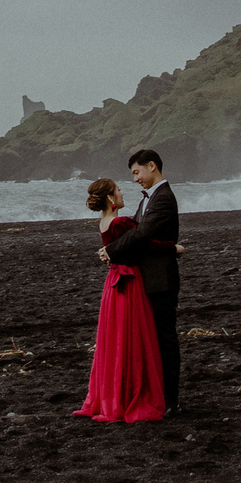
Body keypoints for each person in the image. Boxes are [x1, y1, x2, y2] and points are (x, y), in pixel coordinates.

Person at [74, 177, 166, 423]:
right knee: (133, 338)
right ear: (110, 198)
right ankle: (130, 396)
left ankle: (110, 396)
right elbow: (146, 244)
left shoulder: (103, 223)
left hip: (113, 283)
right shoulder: (120, 223)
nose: (123, 193)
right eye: (119, 190)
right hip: (129, 282)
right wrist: (174, 248)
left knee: (114, 339)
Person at [101, 148, 181, 411]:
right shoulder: (148, 198)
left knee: (164, 339)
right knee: (152, 341)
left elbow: (143, 233)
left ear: (151, 166)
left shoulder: (163, 198)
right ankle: (156, 395)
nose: (135, 179)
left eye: (137, 172)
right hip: (144, 278)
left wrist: (111, 250)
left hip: (160, 279)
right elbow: (137, 233)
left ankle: (170, 400)